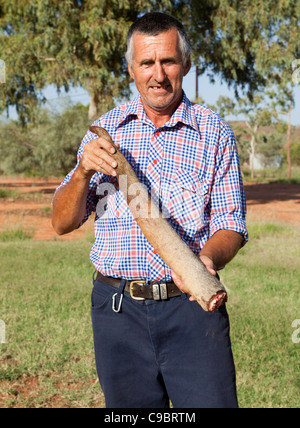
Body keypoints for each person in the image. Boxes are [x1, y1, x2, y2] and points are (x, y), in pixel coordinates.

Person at [52, 12, 247, 408]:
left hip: (191, 308)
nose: (158, 74)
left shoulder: (214, 132)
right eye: (146, 63)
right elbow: (61, 222)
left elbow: (231, 223)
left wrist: (205, 260)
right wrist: (83, 172)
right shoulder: (105, 134)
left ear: (185, 65)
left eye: (168, 61)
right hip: (117, 310)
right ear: (130, 69)